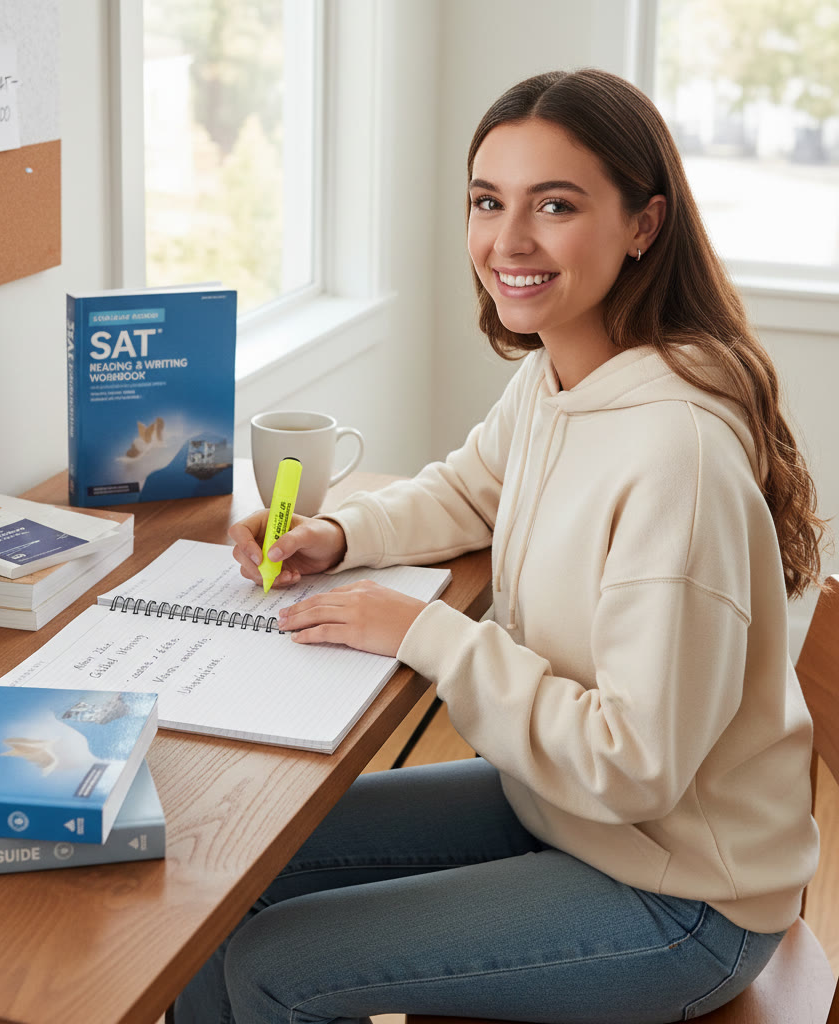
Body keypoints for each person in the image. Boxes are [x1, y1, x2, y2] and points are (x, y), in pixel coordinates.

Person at [171, 67, 829, 1024]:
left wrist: (423, 633)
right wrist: (340, 532)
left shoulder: (675, 456)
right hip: (566, 816)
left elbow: (634, 764)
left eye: (554, 205)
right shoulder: (562, 371)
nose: (507, 241)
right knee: (233, 864)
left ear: (644, 225)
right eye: (488, 201)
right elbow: (473, 487)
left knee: (276, 961)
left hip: (683, 895)